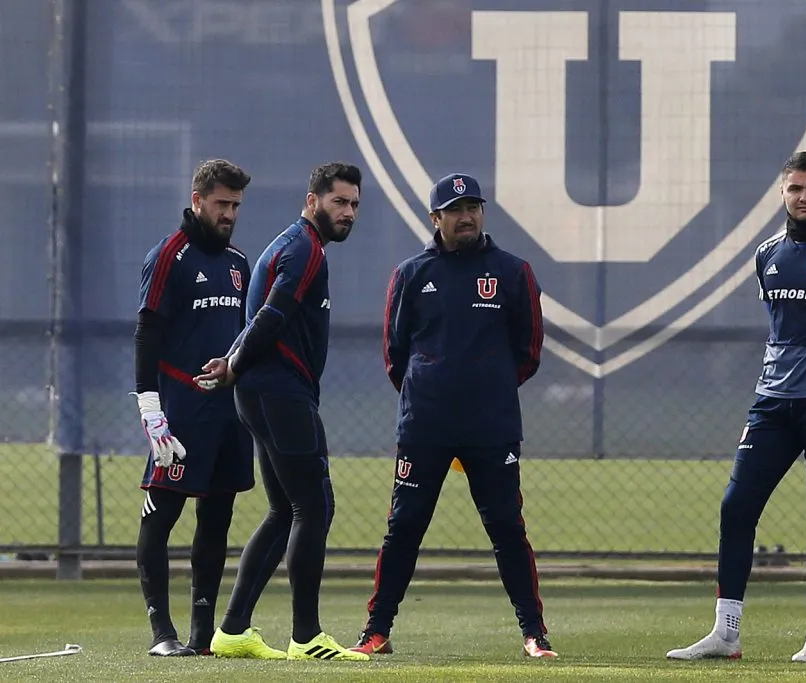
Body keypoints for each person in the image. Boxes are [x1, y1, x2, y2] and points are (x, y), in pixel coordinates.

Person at [666, 151, 806, 663]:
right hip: (772, 401)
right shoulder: (767, 252)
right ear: (782, 194)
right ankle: (726, 634)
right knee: (736, 506)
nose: (805, 197)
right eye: (795, 189)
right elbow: (780, 325)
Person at [349, 172, 555, 658]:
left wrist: (488, 391)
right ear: (435, 218)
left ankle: (534, 634)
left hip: (492, 427)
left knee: (507, 528)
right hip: (426, 427)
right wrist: (433, 394)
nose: (466, 217)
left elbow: (529, 351)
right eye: (455, 209)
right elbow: (395, 356)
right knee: (404, 526)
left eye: (474, 207)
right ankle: (376, 631)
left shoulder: (512, 271)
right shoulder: (411, 274)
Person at [193, 162, 370, 663]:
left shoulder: (289, 244)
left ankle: (231, 631)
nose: (348, 212)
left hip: (263, 391)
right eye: (339, 202)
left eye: (354, 204)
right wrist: (235, 363)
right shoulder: (304, 249)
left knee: (284, 509)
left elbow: (260, 317)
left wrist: (232, 361)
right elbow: (271, 315)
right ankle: (306, 636)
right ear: (313, 200)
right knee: (314, 508)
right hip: (280, 393)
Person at [133, 158, 255, 657]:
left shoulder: (240, 263)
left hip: (230, 415)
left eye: (236, 206)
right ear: (198, 199)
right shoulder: (168, 256)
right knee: (159, 520)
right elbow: (147, 332)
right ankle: (163, 635)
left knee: (217, 519)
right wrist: (150, 407)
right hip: (180, 414)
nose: (229, 214)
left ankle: (202, 637)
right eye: (222, 204)